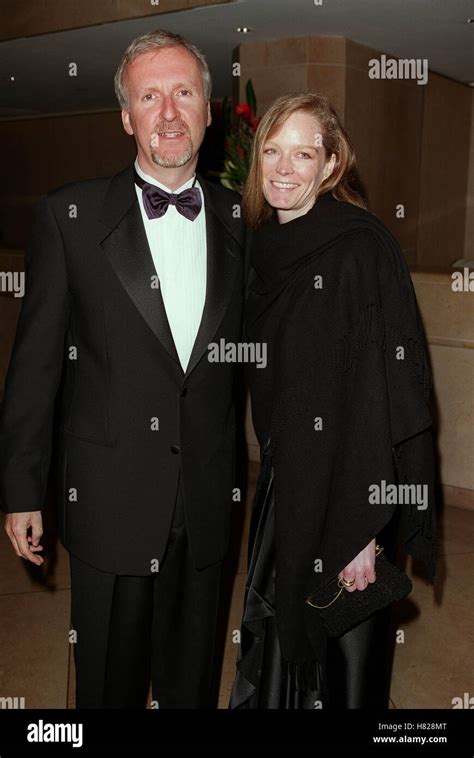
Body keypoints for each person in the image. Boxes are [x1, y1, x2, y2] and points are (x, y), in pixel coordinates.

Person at [0, 30, 245, 708]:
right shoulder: (68, 216)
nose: (168, 113)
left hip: (205, 499)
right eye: (149, 96)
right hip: (107, 500)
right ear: (126, 116)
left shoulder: (241, 220)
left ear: (208, 108)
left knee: (191, 682)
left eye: (184, 93)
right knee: (107, 683)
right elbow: (35, 366)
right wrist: (23, 489)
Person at [229, 93, 438, 709]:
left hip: (352, 494)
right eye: (273, 150)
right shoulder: (260, 248)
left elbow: (387, 395)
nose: (285, 168)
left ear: (331, 164)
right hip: (284, 486)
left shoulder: (359, 248)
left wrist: (365, 532)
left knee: (346, 677)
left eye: (304, 152)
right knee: (280, 649)